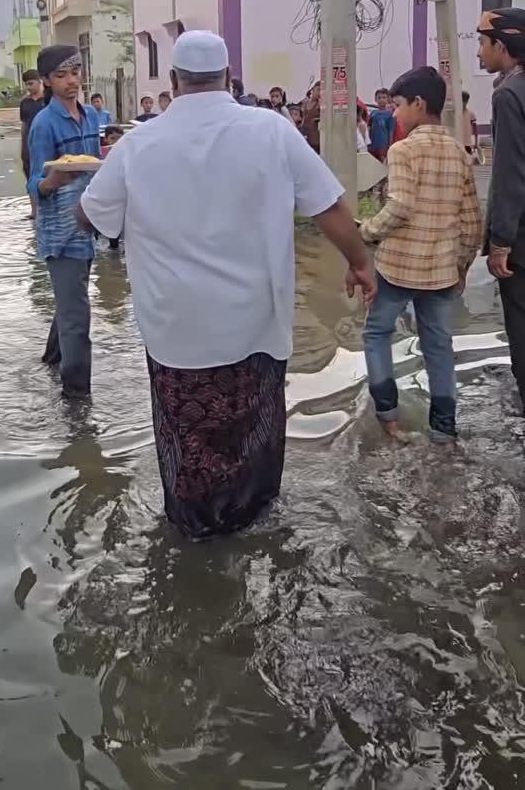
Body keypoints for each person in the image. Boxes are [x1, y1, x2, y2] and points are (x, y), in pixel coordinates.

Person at [79, 30, 375, 540]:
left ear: (173, 82)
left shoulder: (137, 144)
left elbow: (91, 218)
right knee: (252, 430)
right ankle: (254, 522)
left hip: (177, 332)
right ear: (228, 76)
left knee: (187, 436)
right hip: (254, 324)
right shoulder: (271, 131)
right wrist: (360, 262)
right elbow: (328, 206)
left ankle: (196, 536)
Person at [360, 66, 482, 442]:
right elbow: (472, 221)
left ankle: (389, 419)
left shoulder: (403, 150)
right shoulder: (459, 153)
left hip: (397, 267)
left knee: (376, 333)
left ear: (418, 103)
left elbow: (400, 207)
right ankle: (444, 431)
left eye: (397, 105)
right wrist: (461, 265)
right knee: (439, 347)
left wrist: (366, 231)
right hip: (443, 270)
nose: (393, 113)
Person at [27, 45, 103, 399]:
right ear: (46, 81)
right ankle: (77, 402)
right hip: (61, 234)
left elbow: (95, 166)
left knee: (71, 303)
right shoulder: (44, 124)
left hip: (87, 226)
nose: (71, 81)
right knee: (77, 321)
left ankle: (51, 361)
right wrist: (51, 182)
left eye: (75, 72)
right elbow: (34, 182)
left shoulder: (89, 116)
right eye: (61, 76)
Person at [477, 7, 525, 412]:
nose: (479, 51)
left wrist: (500, 241)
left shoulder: (509, 94)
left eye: (482, 42)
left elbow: (510, 173)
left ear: (503, 46)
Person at [19, 69, 44, 218]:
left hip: (44, 143)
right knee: (30, 176)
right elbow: (24, 125)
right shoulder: (25, 103)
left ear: (40, 81)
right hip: (29, 144)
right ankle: (34, 211)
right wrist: (23, 147)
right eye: (26, 84)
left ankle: (46, 210)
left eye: (31, 83)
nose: (28, 87)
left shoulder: (48, 100)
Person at [368, 88, 395, 161]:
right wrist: (368, 144)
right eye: (379, 98)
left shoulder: (390, 115)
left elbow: (391, 132)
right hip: (373, 145)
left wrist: (390, 146)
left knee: (383, 164)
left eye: (384, 97)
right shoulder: (373, 113)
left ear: (388, 99)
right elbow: (369, 128)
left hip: (383, 145)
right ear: (375, 99)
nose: (381, 100)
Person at [302, 81, 321, 152]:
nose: (320, 93)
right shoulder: (305, 103)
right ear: (313, 90)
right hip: (305, 135)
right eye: (318, 89)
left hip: (316, 138)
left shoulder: (320, 104)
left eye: (322, 90)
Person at [462, 90, 478, 156]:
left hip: (467, 144)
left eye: (466, 101)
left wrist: (476, 143)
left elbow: (475, 129)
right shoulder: (455, 114)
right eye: (463, 100)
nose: (464, 103)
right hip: (457, 143)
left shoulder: (471, 114)